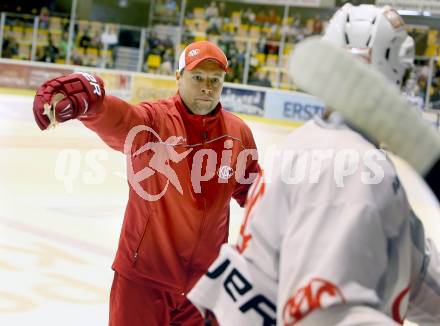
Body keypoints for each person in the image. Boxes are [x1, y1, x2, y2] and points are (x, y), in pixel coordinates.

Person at [187, 5, 440, 325]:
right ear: (399, 74)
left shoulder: (316, 143)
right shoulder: (353, 167)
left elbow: (414, 268)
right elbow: (322, 316)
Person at [32, 40, 260, 325]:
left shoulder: (238, 134)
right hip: (144, 282)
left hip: (205, 288)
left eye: (216, 80)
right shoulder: (155, 121)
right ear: (179, 77)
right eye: (198, 77)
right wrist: (95, 106)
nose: (207, 86)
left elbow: (254, 191)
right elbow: (124, 121)